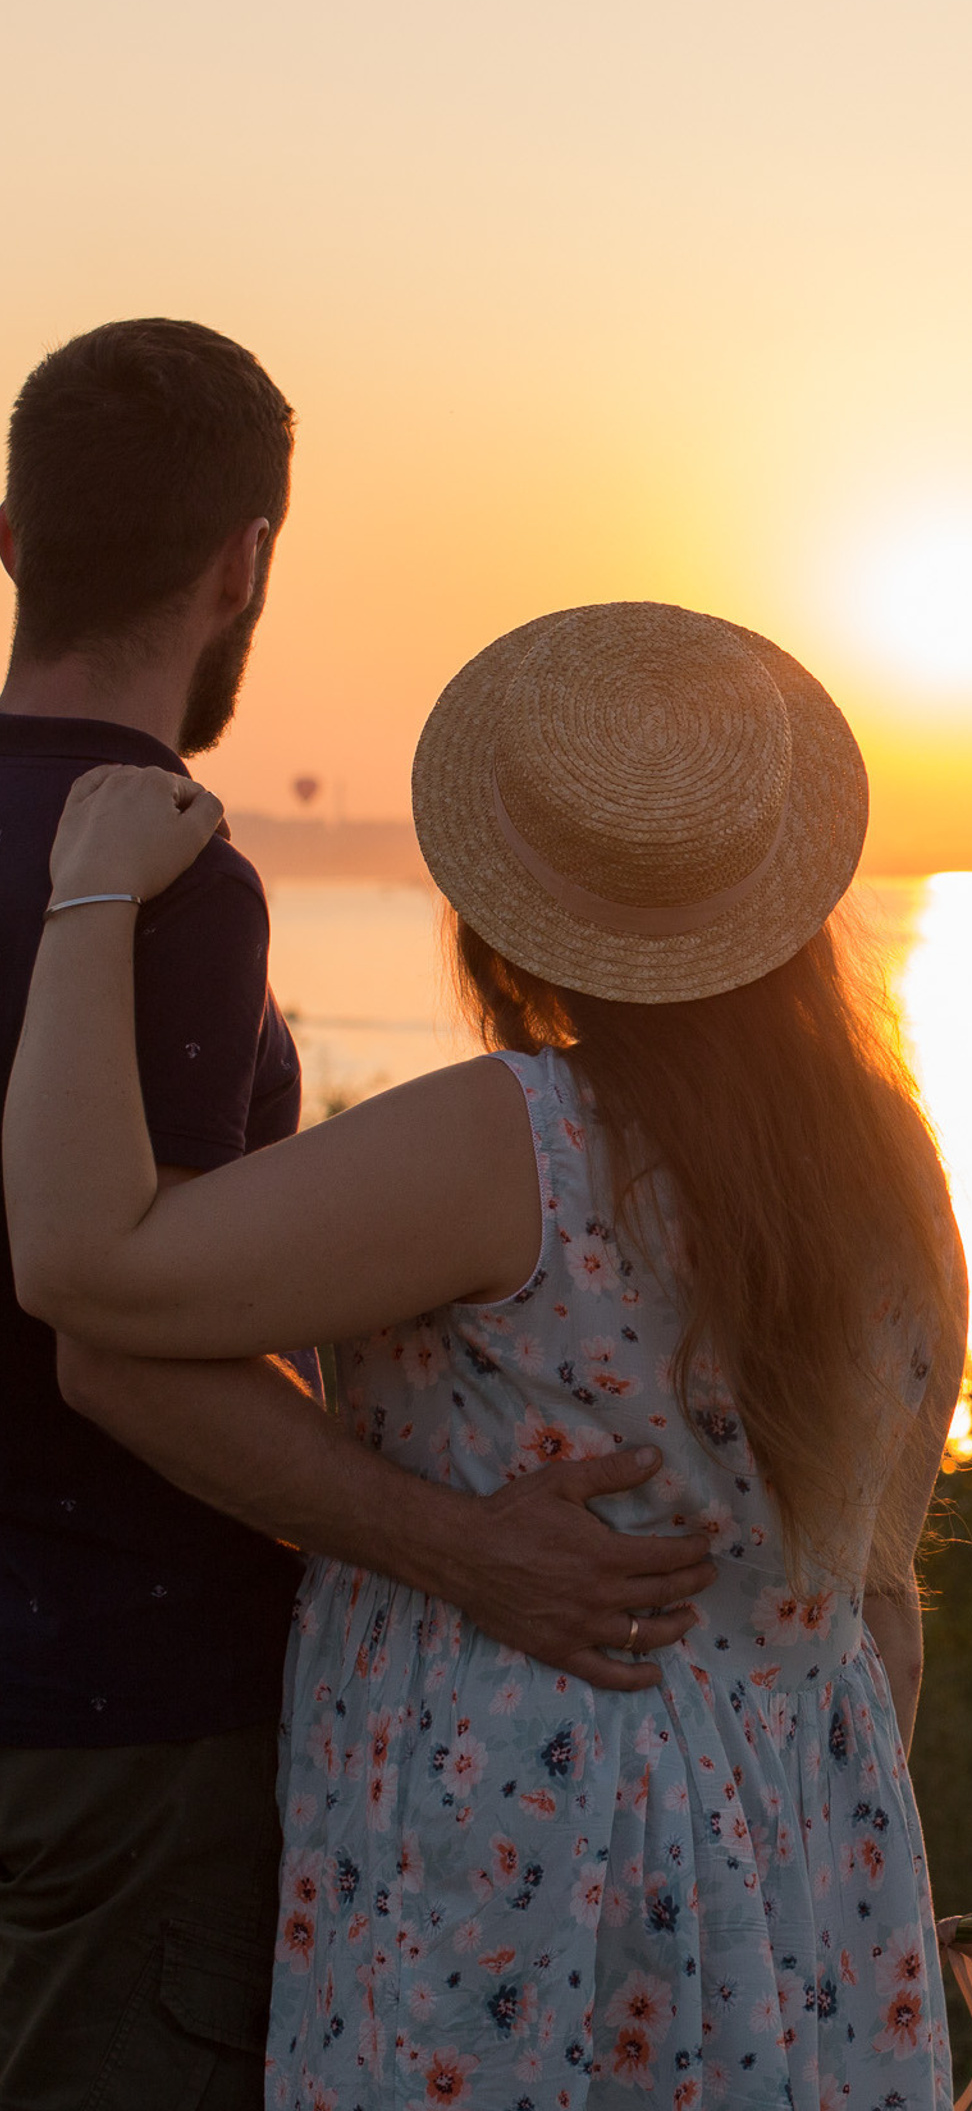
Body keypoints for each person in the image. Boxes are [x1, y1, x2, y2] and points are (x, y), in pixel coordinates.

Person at [9, 598, 969, 2107]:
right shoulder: (891, 1158)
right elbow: (880, 1596)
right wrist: (833, 1879)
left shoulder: (512, 1141)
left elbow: (81, 1263)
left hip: (520, 1863)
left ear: (504, 908)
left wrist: (88, 899)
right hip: (804, 1863)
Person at [0, 326, 718, 2108]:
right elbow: (117, 1339)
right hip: (108, 1722)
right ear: (248, 557)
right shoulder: (171, 876)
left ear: (11, 537)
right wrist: (463, 1544)